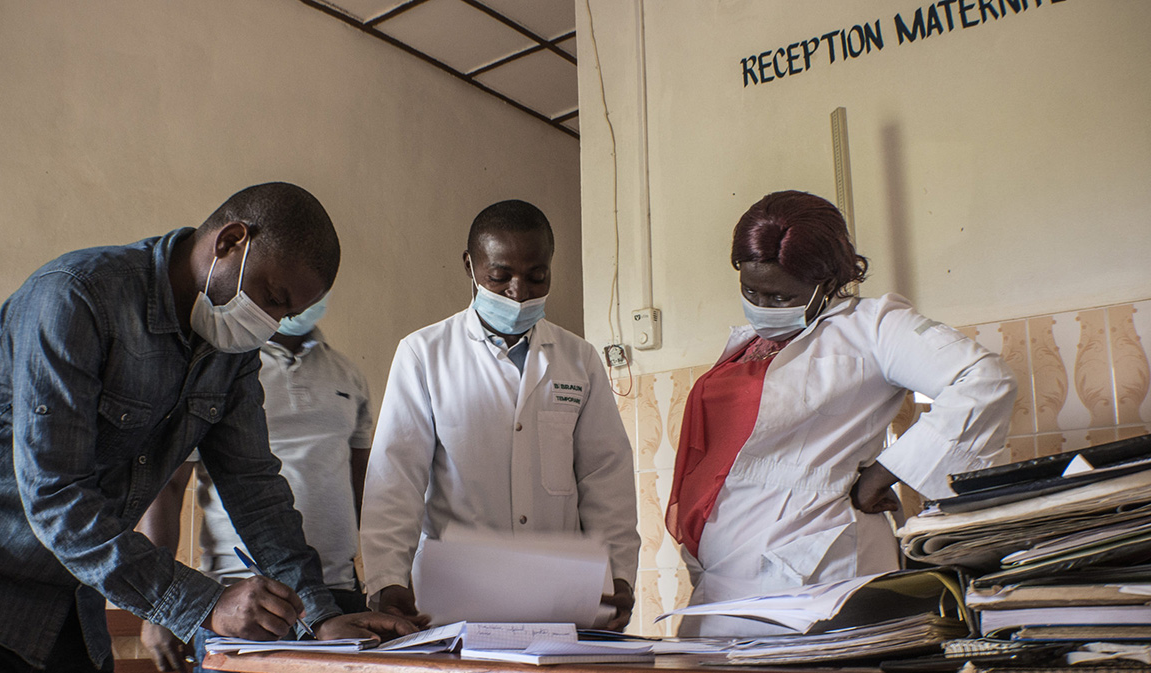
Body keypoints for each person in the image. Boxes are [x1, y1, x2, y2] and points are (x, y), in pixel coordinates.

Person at [0, 182, 412, 673]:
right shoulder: (77, 294)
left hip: (63, 593)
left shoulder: (232, 352)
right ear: (230, 241)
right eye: (272, 298)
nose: (270, 324)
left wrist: (318, 618)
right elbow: (55, 493)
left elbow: (256, 490)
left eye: (286, 314)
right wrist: (206, 604)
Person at [666, 190, 1017, 636]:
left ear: (826, 282)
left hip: (811, 567)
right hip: (720, 576)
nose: (762, 307)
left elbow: (984, 381)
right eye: (751, 291)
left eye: (779, 297)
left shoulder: (873, 327)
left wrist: (884, 473)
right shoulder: (747, 349)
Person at [359, 199, 640, 630]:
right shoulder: (424, 353)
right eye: (500, 276)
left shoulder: (577, 359)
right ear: (470, 266)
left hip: (558, 593)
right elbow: (395, 476)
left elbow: (606, 476)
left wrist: (618, 573)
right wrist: (386, 579)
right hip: (455, 594)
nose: (518, 292)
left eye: (536, 276)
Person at [138, 295, 375, 673]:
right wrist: (157, 606)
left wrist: (380, 581)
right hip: (239, 600)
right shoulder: (215, 370)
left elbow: (367, 489)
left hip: (338, 596)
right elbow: (168, 487)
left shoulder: (348, 374)